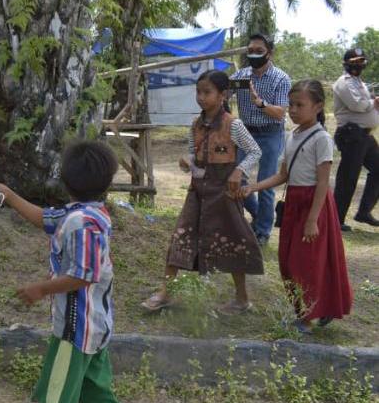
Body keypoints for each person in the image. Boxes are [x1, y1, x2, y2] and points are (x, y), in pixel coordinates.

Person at [0, 141, 123, 403]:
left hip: (75, 330)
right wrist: (9, 194)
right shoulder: (89, 213)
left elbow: (84, 275)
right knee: (96, 393)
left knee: (56, 399)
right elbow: (44, 218)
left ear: (65, 181)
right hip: (95, 326)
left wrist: (40, 289)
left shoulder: (81, 223)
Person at [142, 70, 263, 315]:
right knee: (180, 237)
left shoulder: (234, 124)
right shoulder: (195, 125)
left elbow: (255, 151)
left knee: (234, 241)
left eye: (207, 92)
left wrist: (238, 171)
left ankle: (242, 298)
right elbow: (192, 154)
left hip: (224, 194)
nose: (201, 97)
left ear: (222, 95)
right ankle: (166, 292)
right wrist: (187, 161)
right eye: (198, 92)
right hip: (197, 192)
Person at [242, 80, 352, 334]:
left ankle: (307, 318)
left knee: (308, 262)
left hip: (313, 205)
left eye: (299, 105)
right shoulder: (292, 135)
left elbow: (323, 183)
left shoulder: (322, 138)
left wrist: (313, 219)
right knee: (287, 261)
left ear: (317, 107)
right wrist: (253, 188)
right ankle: (308, 309)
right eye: (290, 104)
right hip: (293, 203)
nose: (292, 110)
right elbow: (283, 175)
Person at [231, 33, 292, 245]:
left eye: (259, 51)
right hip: (245, 133)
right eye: (250, 51)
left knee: (265, 183)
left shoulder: (281, 78)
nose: (254, 55)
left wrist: (260, 103)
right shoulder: (240, 76)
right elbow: (222, 93)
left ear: (269, 53)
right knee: (236, 179)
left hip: (271, 133)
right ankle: (258, 216)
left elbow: (280, 113)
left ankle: (263, 232)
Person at [331, 48, 379, 231]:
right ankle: (336, 219)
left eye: (361, 61)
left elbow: (364, 103)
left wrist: (373, 103)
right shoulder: (344, 82)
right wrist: (373, 103)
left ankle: (364, 212)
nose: (358, 64)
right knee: (348, 178)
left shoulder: (359, 83)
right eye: (354, 61)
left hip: (364, 135)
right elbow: (357, 104)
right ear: (346, 62)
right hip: (351, 134)